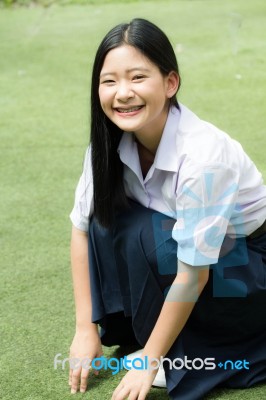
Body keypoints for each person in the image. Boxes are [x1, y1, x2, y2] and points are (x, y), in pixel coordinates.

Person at [68, 18, 266, 400]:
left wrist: (150, 361)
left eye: (138, 77)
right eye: (109, 81)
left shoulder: (205, 157)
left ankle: (183, 353)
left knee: (150, 235)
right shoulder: (106, 148)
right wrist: (84, 328)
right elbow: (80, 229)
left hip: (246, 271)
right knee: (107, 223)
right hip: (195, 255)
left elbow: (194, 275)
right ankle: (138, 331)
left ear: (170, 83)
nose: (122, 93)